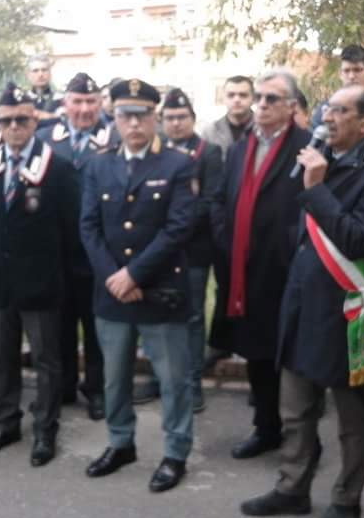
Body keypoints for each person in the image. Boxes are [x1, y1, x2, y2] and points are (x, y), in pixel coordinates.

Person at [240, 84, 364, 518]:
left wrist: (315, 188)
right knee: (295, 409)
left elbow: (356, 240)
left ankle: (346, 500)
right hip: (301, 305)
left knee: (350, 418)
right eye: (326, 110)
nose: (326, 119)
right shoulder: (323, 159)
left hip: (343, 311)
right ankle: (291, 488)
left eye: (339, 111)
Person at [81, 78, 196, 492]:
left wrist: (134, 275)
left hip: (159, 291)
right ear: (113, 117)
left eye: (142, 115)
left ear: (155, 117)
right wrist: (115, 277)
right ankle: (120, 442)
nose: (134, 123)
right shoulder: (98, 164)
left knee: (173, 380)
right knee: (114, 377)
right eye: (126, 115)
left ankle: (175, 451)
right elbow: (89, 227)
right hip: (111, 294)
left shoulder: (178, 165)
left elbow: (178, 228)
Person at [0, 83, 78, 466]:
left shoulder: (59, 167)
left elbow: (71, 230)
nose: (14, 127)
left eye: (21, 119)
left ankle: (45, 430)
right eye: (6, 121)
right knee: (1, 357)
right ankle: (7, 422)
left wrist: (60, 278)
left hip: (42, 282)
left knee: (47, 360)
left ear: (34, 120)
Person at [213, 70, 310, 460]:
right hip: (244, 269)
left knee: (289, 358)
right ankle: (266, 428)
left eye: (272, 99)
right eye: (260, 98)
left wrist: (289, 247)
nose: (263, 105)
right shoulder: (242, 147)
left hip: (285, 269)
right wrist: (224, 235)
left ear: (291, 107)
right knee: (256, 354)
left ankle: (302, 437)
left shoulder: (306, 147)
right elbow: (220, 198)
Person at [133, 88, 223, 413]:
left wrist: (175, 219)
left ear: (193, 119)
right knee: (156, 314)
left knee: (193, 317)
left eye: (181, 117)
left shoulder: (208, 153)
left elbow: (209, 201)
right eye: (169, 118)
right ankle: (159, 377)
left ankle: (192, 382)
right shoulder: (151, 152)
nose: (175, 123)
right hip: (156, 251)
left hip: (193, 251)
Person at [36, 72, 116, 420]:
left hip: (99, 251)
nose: (84, 109)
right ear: (64, 103)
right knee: (59, 323)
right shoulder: (45, 139)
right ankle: (64, 384)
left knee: (96, 325)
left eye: (90, 102)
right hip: (55, 251)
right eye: (77, 102)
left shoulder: (115, 138)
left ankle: (96, 389)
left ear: (100, 104)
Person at [200, 74, 254, 372]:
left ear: (251, 98)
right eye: (232, 94)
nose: (237, 100)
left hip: (254, 220)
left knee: (255, 284)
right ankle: (220, 342)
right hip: (222, 219)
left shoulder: (263, 129)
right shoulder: (211, 131)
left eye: (243, 95)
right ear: (224, 97)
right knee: (223, 284)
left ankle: (250, 345)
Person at [310, 45, 364, 160]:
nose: (351, 76)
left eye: (357, 70)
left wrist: (339, 149)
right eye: (347, 71)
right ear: (340, 74)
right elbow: (314, 148)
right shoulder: (325, 108)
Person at [26, 54, 63, 129]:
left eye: (44, 70)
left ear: (50, 74)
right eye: (35, 71)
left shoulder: (62, 99)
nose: (40, 74)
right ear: (28, 75)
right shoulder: (22, 100)